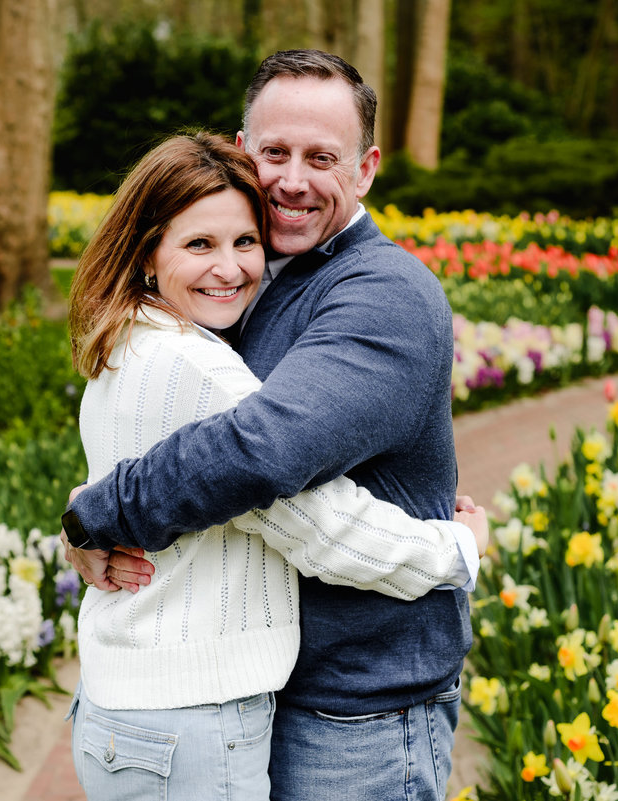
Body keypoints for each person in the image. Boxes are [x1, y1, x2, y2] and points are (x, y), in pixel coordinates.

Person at [61, 51, 477, 800]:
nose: (291, 180)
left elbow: (258, 452)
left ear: (366, 169)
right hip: (254, 694)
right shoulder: (242, 289)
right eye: (274, 152)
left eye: (322, 158)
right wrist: (86, 516)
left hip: (356, 713)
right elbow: (174, 424)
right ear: (241, 148)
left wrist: (98, 512)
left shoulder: (383, 294)